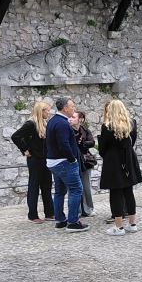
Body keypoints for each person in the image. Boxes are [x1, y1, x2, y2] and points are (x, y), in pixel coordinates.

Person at [99, 100, 142, 236]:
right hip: (128, 159)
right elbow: (132, 141)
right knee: (129, 192)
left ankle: (119, 227)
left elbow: (102, 148)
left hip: (113, 162)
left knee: (116, 193)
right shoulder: (132, 123)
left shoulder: (107, 127)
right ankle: (132, 224)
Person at [46, 98, 88, 232]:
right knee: (76, 190)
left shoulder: (53, 121)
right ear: (65, 108)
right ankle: (73, 222)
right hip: (64, 162)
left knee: (59, 191)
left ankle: (60, 220)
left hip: (54, 161)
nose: (74, 109)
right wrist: (72, 159)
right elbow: (64, 144)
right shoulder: (62, 123)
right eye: (72, 107)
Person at [11, 100, 54, 224]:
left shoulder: (44, 124)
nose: (49, 112)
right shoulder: (30, 124)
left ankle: (49, 213)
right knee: (34, 186)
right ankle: (32, 214)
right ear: (41, 111)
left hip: (45, 159)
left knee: (47, 185)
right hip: (35, 159)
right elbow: (16, 136)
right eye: (47, 110)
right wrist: (25, 149)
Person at [71, 110, 97, 218]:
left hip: (85, 161)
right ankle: (76, 211)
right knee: (75, 187)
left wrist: (83, 143)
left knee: (86, 186)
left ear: (81, 119)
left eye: (74, 117)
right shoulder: (69, 130)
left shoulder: (85, 130)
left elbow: (92, 142)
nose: (71, 119)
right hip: (73, 160)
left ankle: (87, 209)